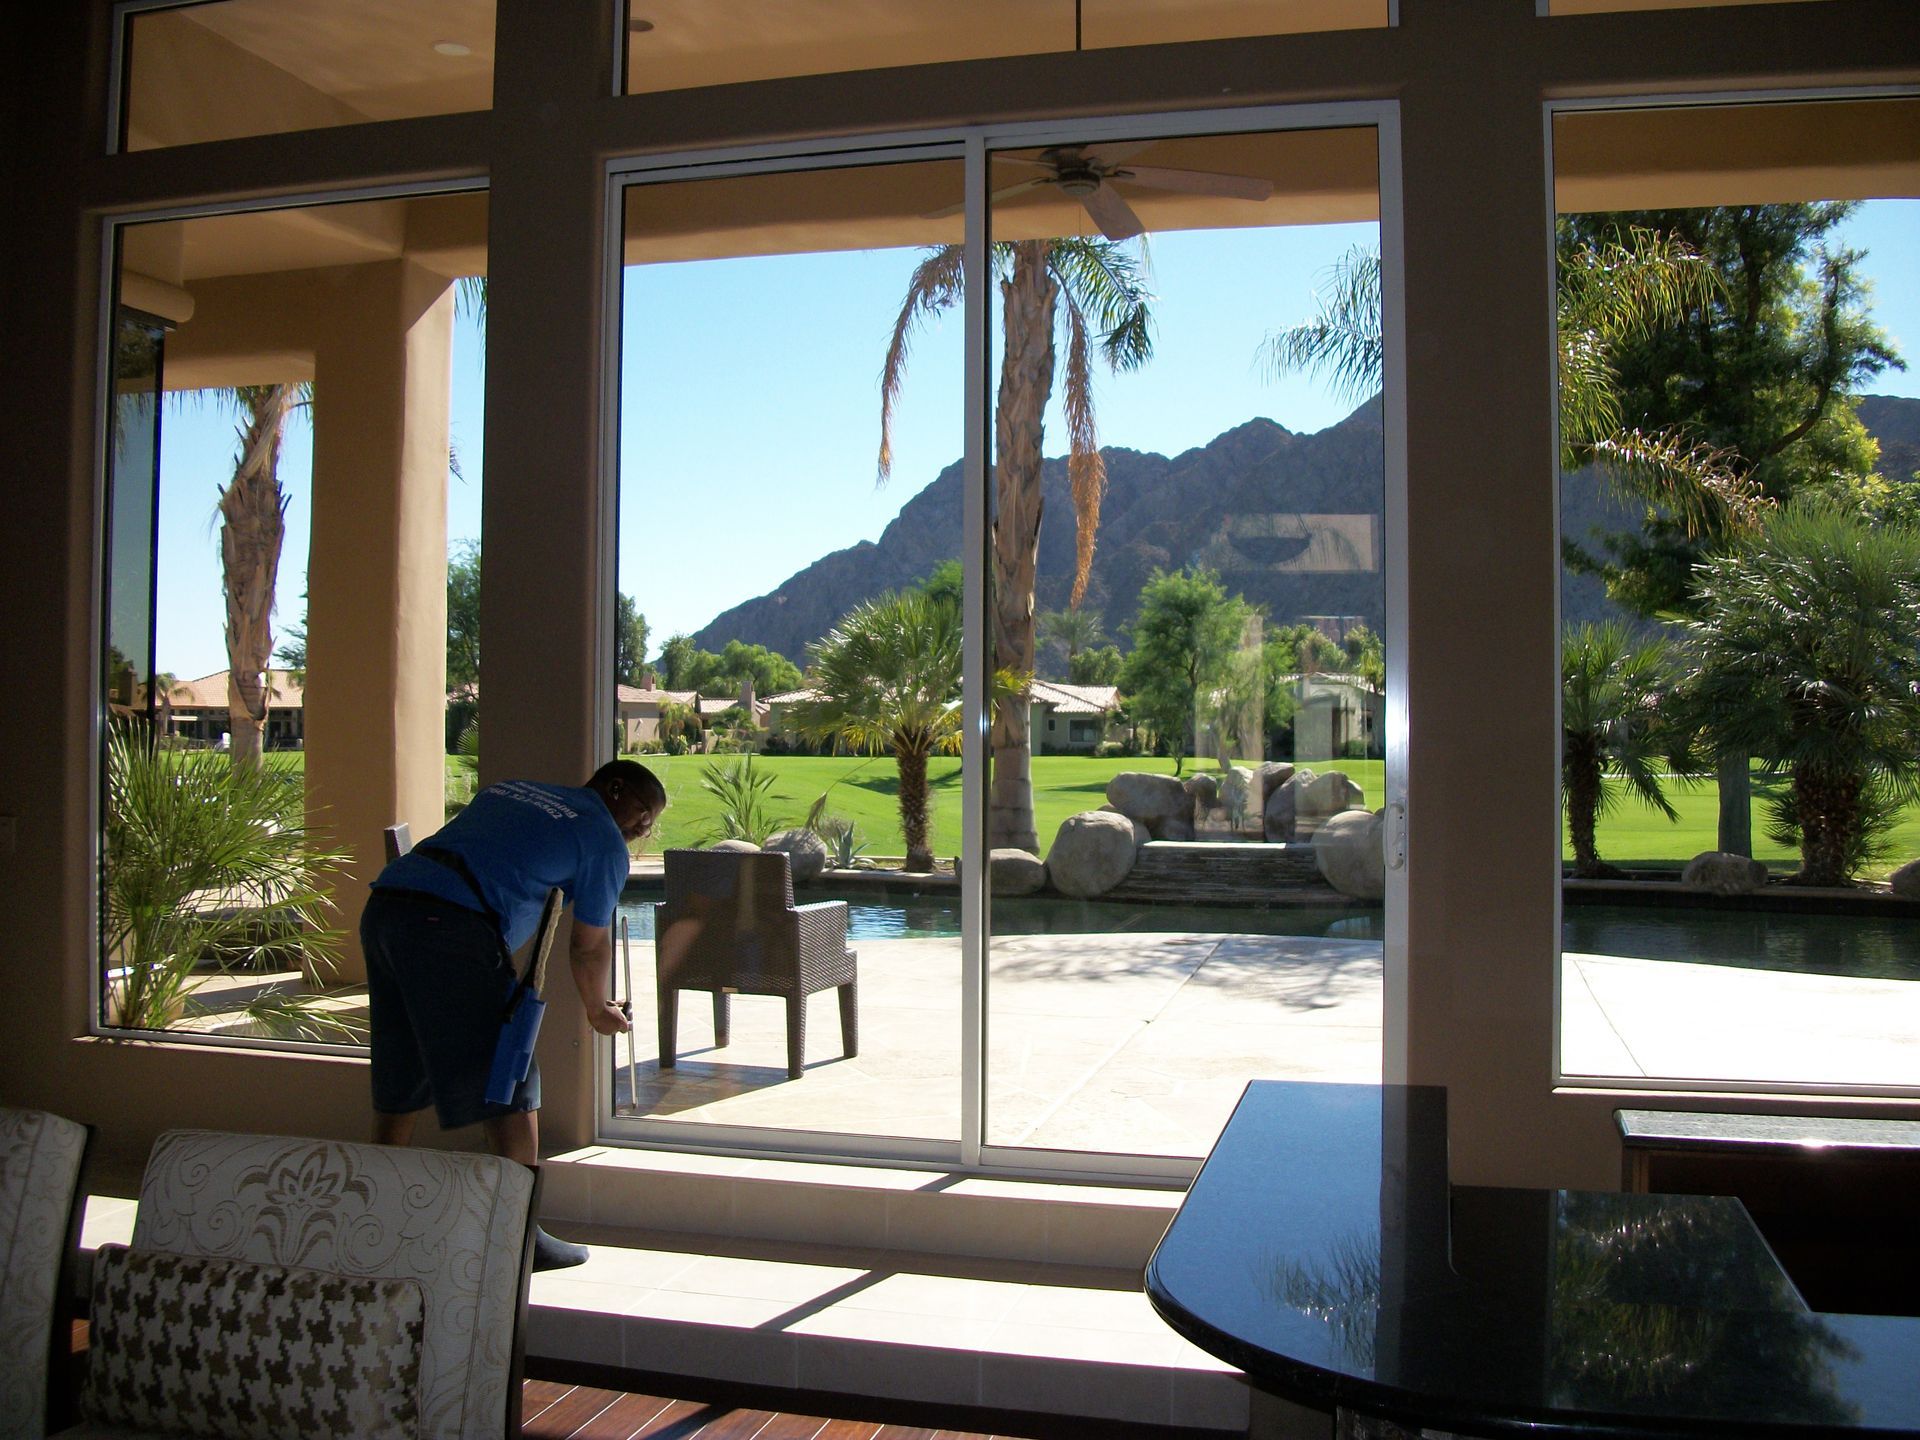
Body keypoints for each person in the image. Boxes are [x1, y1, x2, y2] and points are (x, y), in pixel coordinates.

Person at [361, 758, 666, 1270]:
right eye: (643, 812)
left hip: (388, 907)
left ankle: (375, 1215)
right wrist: (597, 1009)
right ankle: (519, 1237)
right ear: (614, 789)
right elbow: (589, 947)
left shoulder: (515, 789)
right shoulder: (602, 838)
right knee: (512, 1075)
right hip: (447, 926)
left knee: (403, 1071)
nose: (643, 828)